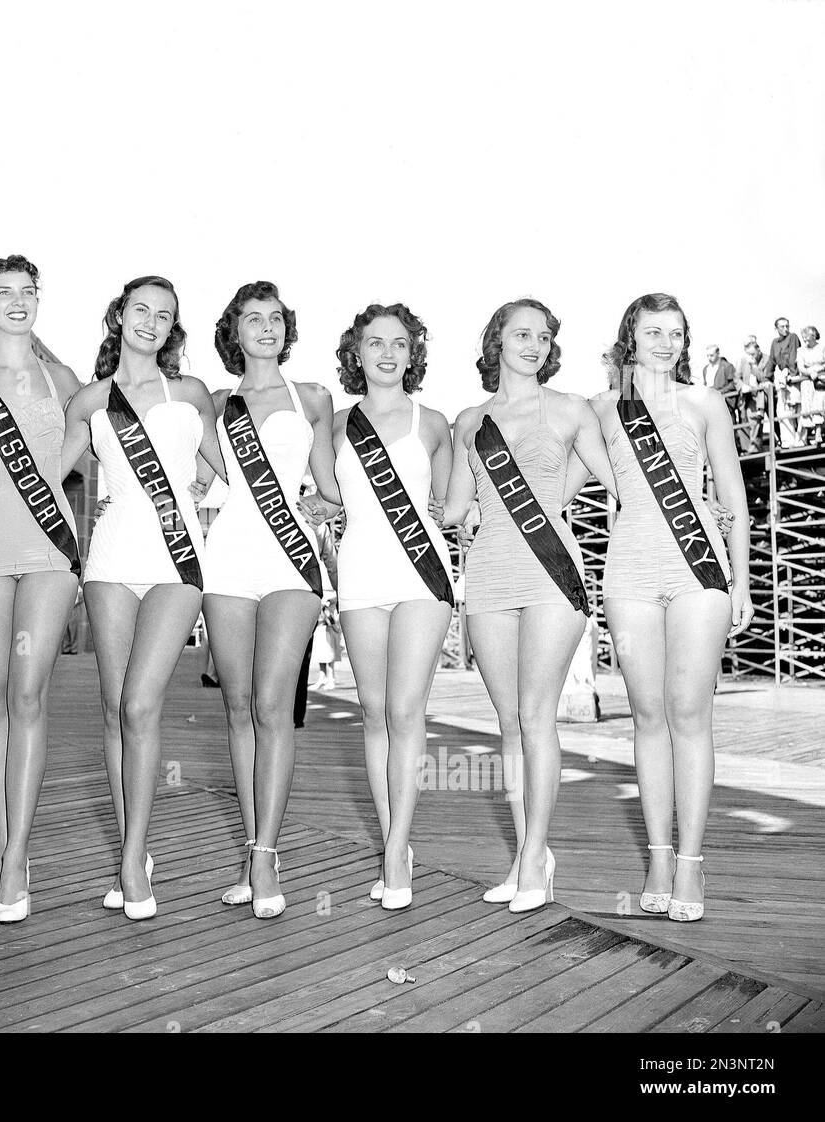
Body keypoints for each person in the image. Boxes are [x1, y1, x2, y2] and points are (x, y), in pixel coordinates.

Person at [442, 298, 615, 914]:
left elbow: (613, 476)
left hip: (551, 575)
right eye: (522, 334)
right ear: (496, 341)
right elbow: (457, 504)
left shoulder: (569, 409)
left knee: (537, 717)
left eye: (543, 337)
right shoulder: (470, 421)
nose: (534, 345)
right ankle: (524, 855)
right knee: (509, 721)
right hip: (488, 577)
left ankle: (537, 856)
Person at [62, 276, 226, 920]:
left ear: (173, 328)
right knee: (113, 709)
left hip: (176, 559)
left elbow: (225, 467)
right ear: (119, 316)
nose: (152, 323)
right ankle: (135, 848)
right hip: (110, 559)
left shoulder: (190, 394)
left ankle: (132, 858)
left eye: (165, 315)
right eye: (141, 310)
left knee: (140, 702)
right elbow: (48, 474)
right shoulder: (89, 400)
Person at [594, 293, 753, 923]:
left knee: (690, 711)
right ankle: (658, 855)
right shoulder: (602, 410)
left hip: (699, 571)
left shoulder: (704, 403)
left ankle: (691, 860)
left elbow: (735, 503)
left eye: (676, 332)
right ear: (629, 336)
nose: (666, 341)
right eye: (652, 330)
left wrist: (740, 584)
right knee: (648, 713)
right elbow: (551, 478)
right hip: (629, 573)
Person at [198, 281, 336, 919]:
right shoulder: (218, 403)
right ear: (234, 330)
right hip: (227, 557)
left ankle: (265, 854)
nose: (266, 327)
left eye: (276, 318)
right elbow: (198, 477)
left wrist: (330, 505)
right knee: (237, 706)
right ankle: (254, 844)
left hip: (291, 560)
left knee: (274, 704)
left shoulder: (312, 398)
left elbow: (332, 482)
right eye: (253, 318)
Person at [0, 254, 82, 924]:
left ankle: (14, 860)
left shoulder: (62, 378)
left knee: (29, 693)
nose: (17, 302)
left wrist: (48, 490)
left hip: (48, 549)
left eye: (27, 292)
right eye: (3, 293)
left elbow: (90, 443)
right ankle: (9, 848)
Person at [330, 303, 455, 910]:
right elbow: (326, 495)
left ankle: (396, 851)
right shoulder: (333, 424)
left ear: (413, 353)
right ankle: (392, 843)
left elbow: (454, 503)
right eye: (374, 342)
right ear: (356, 352)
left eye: (399, 343)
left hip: (422, 574)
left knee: (407, 710)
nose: (386, 353)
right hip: (359, 573)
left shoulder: (433, 422)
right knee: (373, 710)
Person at [769, 317, 802, 446]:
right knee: (783, 410)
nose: (785, 329)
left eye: (787, 326)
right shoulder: (775, 343)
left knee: (796, 408)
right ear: (776, 328)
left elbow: (794, 355)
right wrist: (767, 378)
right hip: (783, 378)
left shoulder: (793, 337)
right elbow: (772, 360)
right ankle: (788, 440)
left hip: (792, 378)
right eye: (782, 327)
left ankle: (800, 440)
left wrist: (791, 373)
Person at [734, 336, 772, 450]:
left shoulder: (766, 359)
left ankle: (756, 448)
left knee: (759, 421)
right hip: (749, 396)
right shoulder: (742, 360)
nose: (751, 357)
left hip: (763, 394)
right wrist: (742, 386)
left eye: (753, 354)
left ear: (758, 350)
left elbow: (764, 378)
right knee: (752, 422)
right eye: (749, 354)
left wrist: (754, 366)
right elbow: (736, 378)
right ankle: (754, 448)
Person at [795, 325, 824, 445]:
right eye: (804, 337)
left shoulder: (822, 348)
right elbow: (800, 366)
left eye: (807, 337)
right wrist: (809, 372)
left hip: (820, 380)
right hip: (807, 381)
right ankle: (804, 438)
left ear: (814, 336)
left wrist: (817, 370)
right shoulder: (801, 350)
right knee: (807, 408)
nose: (805, 340)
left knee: (818, 406)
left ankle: (818, 434)